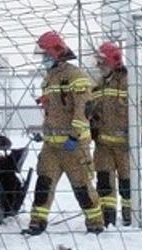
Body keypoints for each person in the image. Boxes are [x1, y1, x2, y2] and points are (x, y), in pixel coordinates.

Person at [23, 30, 104, 236]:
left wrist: (75, 136)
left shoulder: (75, 76)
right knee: (44, 183)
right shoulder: (50, 78)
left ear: (55, 53)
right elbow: (53, 110)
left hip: (73, 145)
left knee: (82, 186)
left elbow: (83, 108)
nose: (43, 60)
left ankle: (95, 222)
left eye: (45, 55)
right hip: (51, 145)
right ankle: (37, 221)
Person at [87, 40, 133, 227]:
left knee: (126, 182)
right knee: (104, 181)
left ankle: (129, 214)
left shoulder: (128, 83)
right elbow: (91, 112)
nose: (99, 66)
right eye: (98, 62)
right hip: (103, 145)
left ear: (114, 61)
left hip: (125, 145)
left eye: (102, 62)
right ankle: (108, 216)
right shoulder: (97, 85)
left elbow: (141, 113)